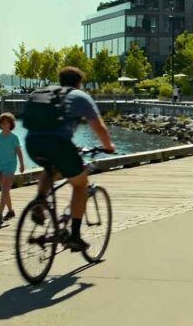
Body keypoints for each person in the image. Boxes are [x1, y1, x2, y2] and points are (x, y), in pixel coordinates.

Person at [25, 67, 115, 251]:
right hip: (57, 145)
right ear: (78, 82)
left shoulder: (47, 93)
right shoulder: (80, 96)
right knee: (80, 184)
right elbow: (99, 128)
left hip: (32, 143)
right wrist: (108, 146)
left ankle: (40, 202)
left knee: (51, 168)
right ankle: (74, 235)